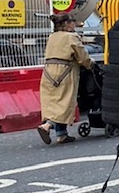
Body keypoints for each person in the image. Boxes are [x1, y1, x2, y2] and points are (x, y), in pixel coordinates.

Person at [37, 12, 94, 145]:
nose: (74, 24)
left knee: (52, 101)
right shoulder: (71, 37)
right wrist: (90, 64)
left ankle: (62, 134)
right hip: (65, 72)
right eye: (72, 21)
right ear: (67, 24)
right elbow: (82, 57)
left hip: (48, 72)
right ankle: (47, 126)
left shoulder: (52, 37)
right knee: (65, 101)